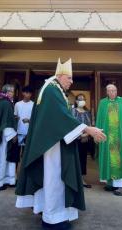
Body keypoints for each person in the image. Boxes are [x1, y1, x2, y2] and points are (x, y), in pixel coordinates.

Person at [16, 58, 106, 229]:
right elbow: (60, 118)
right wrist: (87, 129)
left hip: (53, 142)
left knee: (53, 179)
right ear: (60, 76)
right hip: (52, 145)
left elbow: (62, 117)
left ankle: (50, 213)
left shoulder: (52, 89)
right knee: (54, 179)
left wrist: (84, 129)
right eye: (69, 78)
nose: (71, 82)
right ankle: (53, 219)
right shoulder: (51, 90)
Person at [71, 94, 93, 188]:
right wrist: (81, 135)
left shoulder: (87, 112)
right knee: (75, 159)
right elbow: (71, 125)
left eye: (83, 99)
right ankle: (74, 180)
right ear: (76, 101)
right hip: (75, 139)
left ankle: (81, 179)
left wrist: (87, 135)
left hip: (85, 140)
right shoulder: (72, 111)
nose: (82, 101)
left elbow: (90, 125)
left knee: (83, 159)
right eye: (80, 99)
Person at [13, 86, 34, 162]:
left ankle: (22, 172)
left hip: (28, 132)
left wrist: (29, 120)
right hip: (18, 131)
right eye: (26, 92)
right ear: (23, 93)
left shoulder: (33, 105)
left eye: (30, 93)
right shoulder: (17, 104)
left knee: (25, 155)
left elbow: (35, 118)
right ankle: (14, 172)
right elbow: (14, 117)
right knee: (16, 154)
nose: (28, 94)